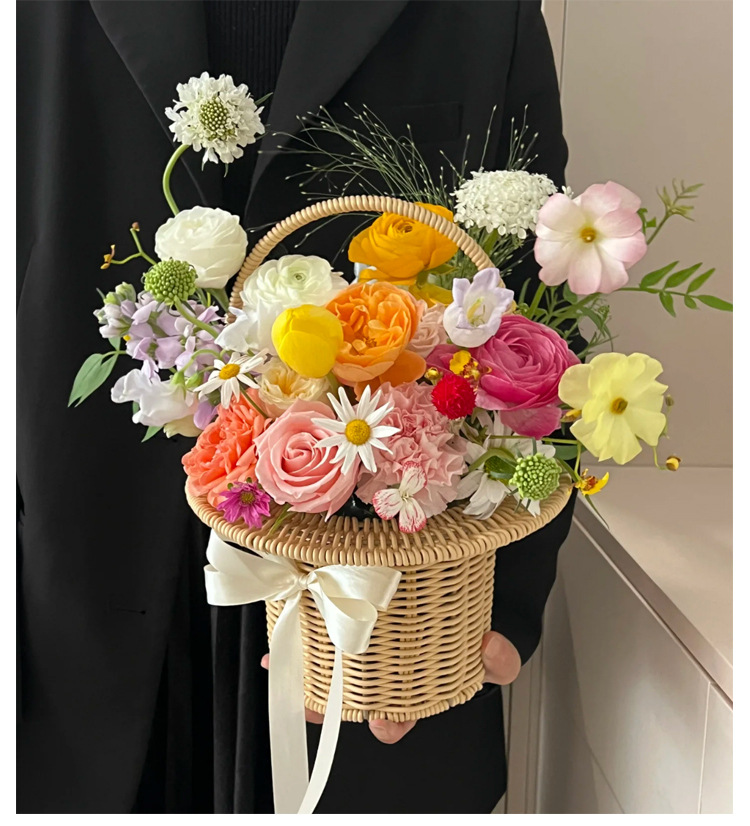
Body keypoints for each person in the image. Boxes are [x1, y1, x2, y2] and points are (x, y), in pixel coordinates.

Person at [17, 0, 575, 814]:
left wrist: (503, 612)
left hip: (382, 611)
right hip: (85, 588)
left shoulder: (484, 15)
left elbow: (540, 313)